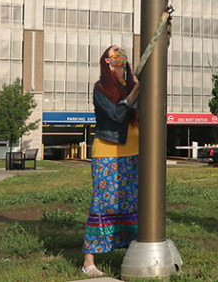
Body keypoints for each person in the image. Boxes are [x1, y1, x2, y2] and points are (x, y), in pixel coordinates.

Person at [82, 45, 140, 277]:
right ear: (105, 62)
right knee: (103, 204)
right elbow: (117, 115)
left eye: (122, 55)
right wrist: (135, 91)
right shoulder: (100, 88)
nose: (118, 60)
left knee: (132, 205)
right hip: (107, 153)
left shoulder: (131, 86)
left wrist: (135, 86)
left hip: (134, 152)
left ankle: (132, 253)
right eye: (113, 56)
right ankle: (88, 261)